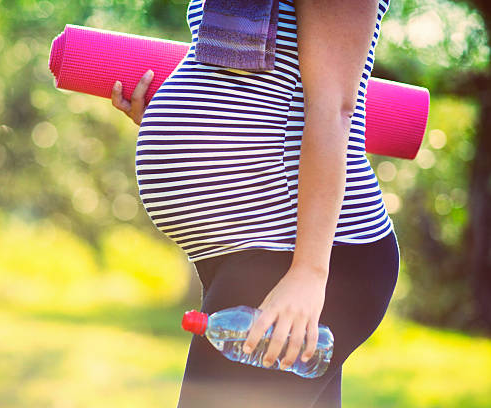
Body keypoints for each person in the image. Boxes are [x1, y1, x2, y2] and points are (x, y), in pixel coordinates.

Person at [111, 0, 399, 407]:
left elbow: (332, 109)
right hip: (255, 253)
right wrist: (172, 115)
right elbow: (259, 86)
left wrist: (309, 273)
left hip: (295, 255)